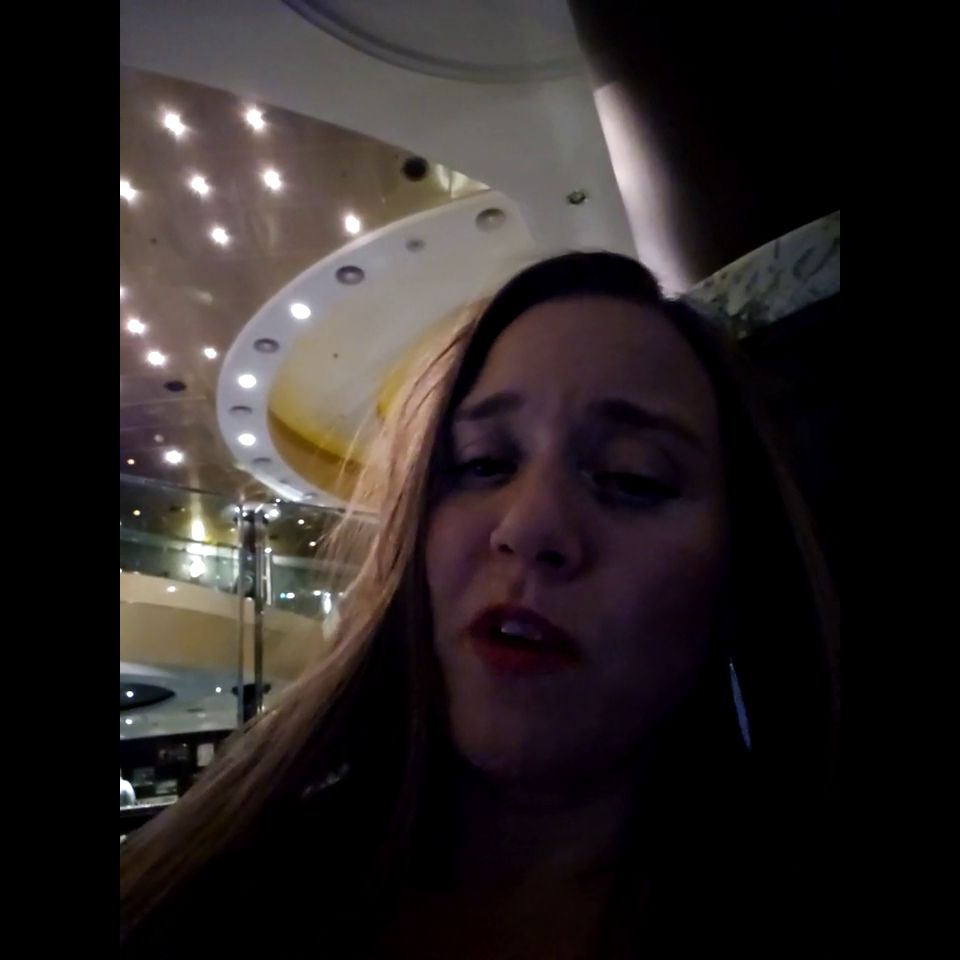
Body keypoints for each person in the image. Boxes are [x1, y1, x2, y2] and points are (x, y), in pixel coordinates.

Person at [120, 252, 838, 957]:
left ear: (739, 563)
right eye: (484, 463)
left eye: (633, 477)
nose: (528, 526)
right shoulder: (208, 896)